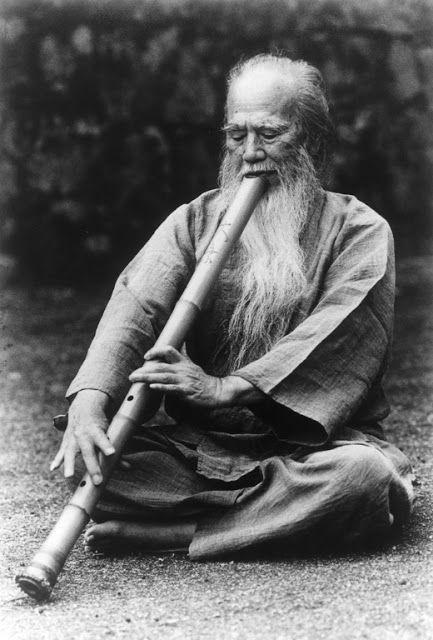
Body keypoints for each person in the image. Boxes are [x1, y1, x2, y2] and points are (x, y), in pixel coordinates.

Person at [51, 54, 414, 558]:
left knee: (364, 480)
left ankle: (183, 535)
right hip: (199, 453)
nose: (249, 153)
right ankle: (270, 519)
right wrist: (89, 405)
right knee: (100, 459)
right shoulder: (194, 221)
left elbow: (340, 336)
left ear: (309, 137)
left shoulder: (360, 230)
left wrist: (223, 389)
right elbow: (135, 309)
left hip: (314, 450)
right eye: (235, 134)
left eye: (268, 134)